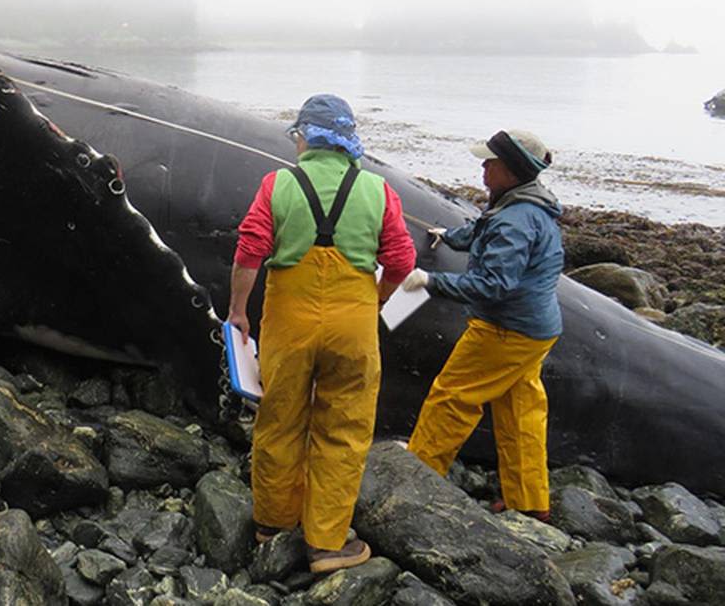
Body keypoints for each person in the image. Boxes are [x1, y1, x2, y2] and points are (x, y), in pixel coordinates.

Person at [227, 94, 416, 573]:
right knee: (344, 429)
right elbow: (401, 261)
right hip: (352, 324)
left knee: (279, 418)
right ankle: (328, 544)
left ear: (305, 136)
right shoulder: (378, 189)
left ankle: (272, 522)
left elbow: (250, 250)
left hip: (289, 321)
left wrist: (238, 312)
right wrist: (377, 300)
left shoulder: (278, 183)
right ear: (348, 138)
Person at [400, 129, 563, 522]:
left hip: (505, 330)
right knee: (519, 409)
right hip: (537, 330)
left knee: (452, 397)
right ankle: (529, 501)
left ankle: (413, 479)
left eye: (490, 162)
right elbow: (481, 231)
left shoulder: (515, 221)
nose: (483, 168)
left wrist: (430, 281)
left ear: (512, 168)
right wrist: (449, 237)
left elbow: (493, 285)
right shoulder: (524, 204)